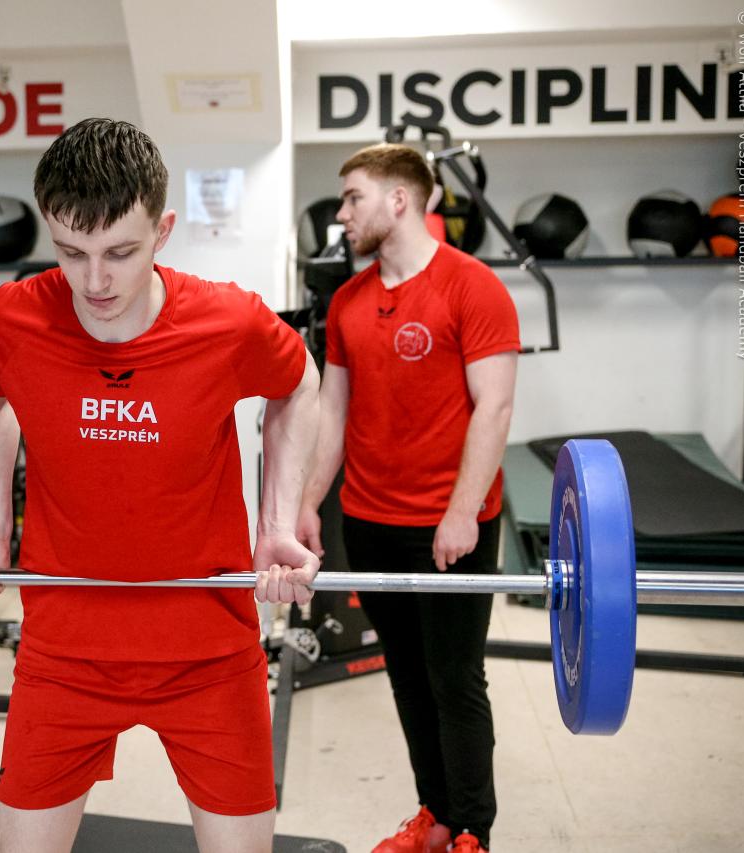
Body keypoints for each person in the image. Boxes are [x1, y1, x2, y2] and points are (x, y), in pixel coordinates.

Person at [0, 117, 321, 853]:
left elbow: (299, 382)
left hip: (208, 649)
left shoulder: (228, 321)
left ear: (163, 230)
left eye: (120, 252)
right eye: (71, 252)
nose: (95, 281)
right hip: (64, 649)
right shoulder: (12, 319)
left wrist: (276, 522)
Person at [298, 143, 519, 853]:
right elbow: (334, 412)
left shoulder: (473, 286)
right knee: (407, 675)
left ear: (399, 200)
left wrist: (461, 511)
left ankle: (473, 832)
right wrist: (308, 504)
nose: (341, 213)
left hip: (451, 526)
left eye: (352, 197)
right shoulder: (347, 301)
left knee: (454, 678)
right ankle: (436, 815)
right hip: (370, 520)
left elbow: (494, 408)